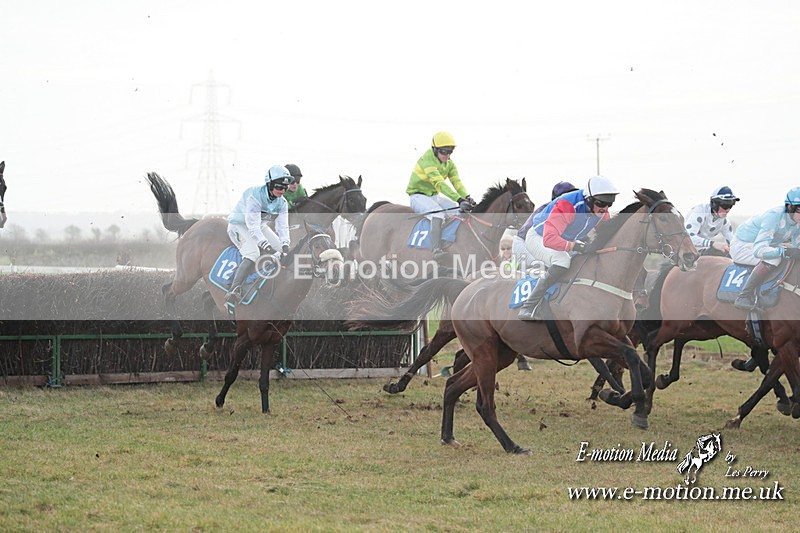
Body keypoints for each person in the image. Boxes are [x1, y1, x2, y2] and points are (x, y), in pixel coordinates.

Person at [517, 176, 619, 320]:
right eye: (602, 203)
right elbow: (550, 239)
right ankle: (528, 306)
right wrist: (577, 246)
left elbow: (607, 235)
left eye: (610, 204)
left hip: (563, 240)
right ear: (588, 199)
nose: (605, 209)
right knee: (562, 260)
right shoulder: (568, 205)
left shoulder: (600, 210)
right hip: (539, 238)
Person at [224, 165, 294, 304]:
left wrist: (285, 244)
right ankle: (233, 289)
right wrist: (266, 247)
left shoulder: (282, 202)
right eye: (279, 187)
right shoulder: (254, 196)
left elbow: (282, 226)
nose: (282, 191)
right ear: (270, 183)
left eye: (285, 188)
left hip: (259, 226)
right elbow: (252, 227)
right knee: (253, 253)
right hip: (239, 225)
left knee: (280, 249)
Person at [406, 131, 475, 257]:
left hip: (433, 197)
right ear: (435, 149)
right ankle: (436, 249)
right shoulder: (427, 161)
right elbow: (440, 184)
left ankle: (450, 241)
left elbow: (457, 182)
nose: (447, 155)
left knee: (459, 212)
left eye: (450, 151)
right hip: (417, 196)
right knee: (438, 214)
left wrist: (467, 197)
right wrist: (459, 199)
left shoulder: (450, 164)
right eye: (444, 151)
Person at [513, 181, 578, 266]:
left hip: (540, 242)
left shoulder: (572, 211)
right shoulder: (548, 210)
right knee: (554, 262)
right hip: (523, 244)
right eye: (567, 195)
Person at [684, 186, 739, 256]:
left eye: (731, 205)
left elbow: (732, 243)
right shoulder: (699, 212)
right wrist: (713, 244)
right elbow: (688, 238)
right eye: (725, 205)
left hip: (704, 252)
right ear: (714, 204)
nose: (728, 210)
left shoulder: (725, 222)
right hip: (686, 251)